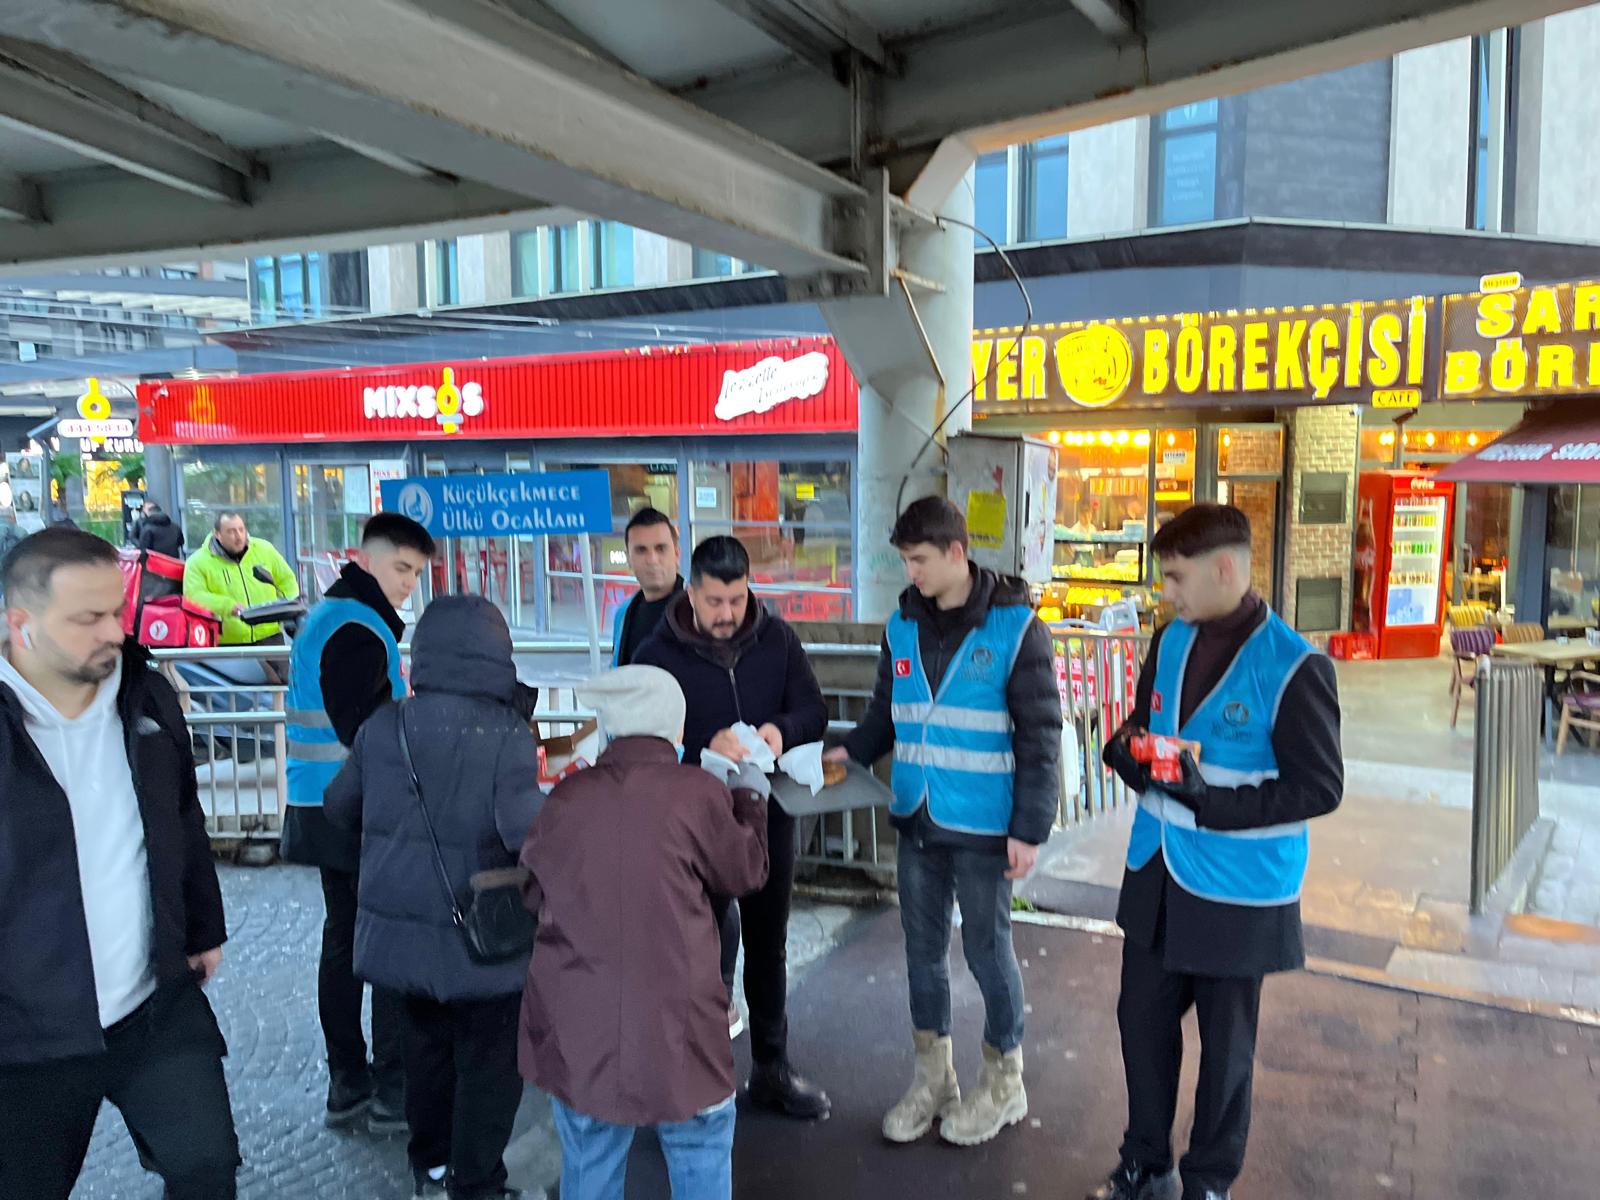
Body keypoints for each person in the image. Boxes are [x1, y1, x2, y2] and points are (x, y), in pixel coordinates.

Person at [1088, 504, 1343, 1200]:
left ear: (1224, 569)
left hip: (1239, 888)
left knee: (1227, 1051)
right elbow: (1149, 724)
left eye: (1175, 578)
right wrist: (1126, 749)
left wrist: (1210, 801)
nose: (1165, 592)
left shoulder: (1294, 665)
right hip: (1158, 870)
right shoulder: (1170, 640)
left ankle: (1208, 1181)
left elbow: (1320, 788)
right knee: (1140, 1022)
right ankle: (1145, 1159)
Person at [0, 528, 237, 1199]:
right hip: (23, 1036)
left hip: (151, 1005)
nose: (115, 631)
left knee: (206, 1169)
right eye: (88, 618)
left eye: (118, 611)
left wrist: (201, 928)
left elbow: (183, 819)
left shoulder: (147, 697)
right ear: (21, 624)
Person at [827, 496, 1061, 1147]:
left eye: (921, 559)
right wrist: (846, 749)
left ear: (957, 553)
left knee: (989, 956)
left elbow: (1042, 736)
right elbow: (884, 712)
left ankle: (1004, 1083)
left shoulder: (1016, 629)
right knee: (921, 959)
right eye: (905, 560)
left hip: (988, 829)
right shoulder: (901, 625)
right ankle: (935, 1081)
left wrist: (1030, 829)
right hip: (917, 820)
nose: (913, 573)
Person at [520, 665, 770, 1200]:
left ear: (610, 730)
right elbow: (746, 870)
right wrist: (749, 795)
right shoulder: (698, 793)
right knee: (699, 1148)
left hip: (580, 1028)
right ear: (677, 734)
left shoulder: (567, 799)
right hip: (683, 1027)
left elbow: (533, 893)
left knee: (590, 1157)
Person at [325, 595, 542, 1200]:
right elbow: (529, 833)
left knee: (425, 1056)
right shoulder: (504, 734)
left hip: (404, 948)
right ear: (498, 655)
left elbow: (340, 807)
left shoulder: (384, 725)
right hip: (483, 942)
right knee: (490, 1068)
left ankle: (432, 1168)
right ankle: (477, 1183)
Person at [635, 535, 832, 1120]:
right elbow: (638, 741)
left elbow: (813, 710)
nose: (726, 614)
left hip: (766, 816)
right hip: (689, 823)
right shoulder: (655, 655)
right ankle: (691, 1075)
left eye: (737, 600)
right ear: (691, 591)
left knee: (768, 942)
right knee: (693, 947)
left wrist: (780, 731)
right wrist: (701, 746)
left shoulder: (778, 639)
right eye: (715, 601)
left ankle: (771, 1067)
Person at [283, 512, 436, 1134]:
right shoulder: (356, 627)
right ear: (366, 560)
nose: (409, 583)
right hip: (355, 811)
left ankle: (349, 1081)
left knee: (345, 944)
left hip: (322, 804)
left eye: (418, 573)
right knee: (378, 945)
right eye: (401, 568)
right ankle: (385, 1087)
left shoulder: (333, 617)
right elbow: (369, 733)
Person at [182, 510, 299, 645]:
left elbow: (286, 580)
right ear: (217, 534)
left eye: (241, 530)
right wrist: (227, 606)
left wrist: (291, 606)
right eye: (231, 531)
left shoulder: (265, 549)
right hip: (228, 643)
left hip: (270, 636)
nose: (239, 536)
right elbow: (194, 596)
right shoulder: (197, 562)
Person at [611, 506, 684, 667]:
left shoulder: (697, 610)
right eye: (641, 550)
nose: (652, 559)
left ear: (677, 554)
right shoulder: (624, 614)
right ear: (629, 559)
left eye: (660, 548)